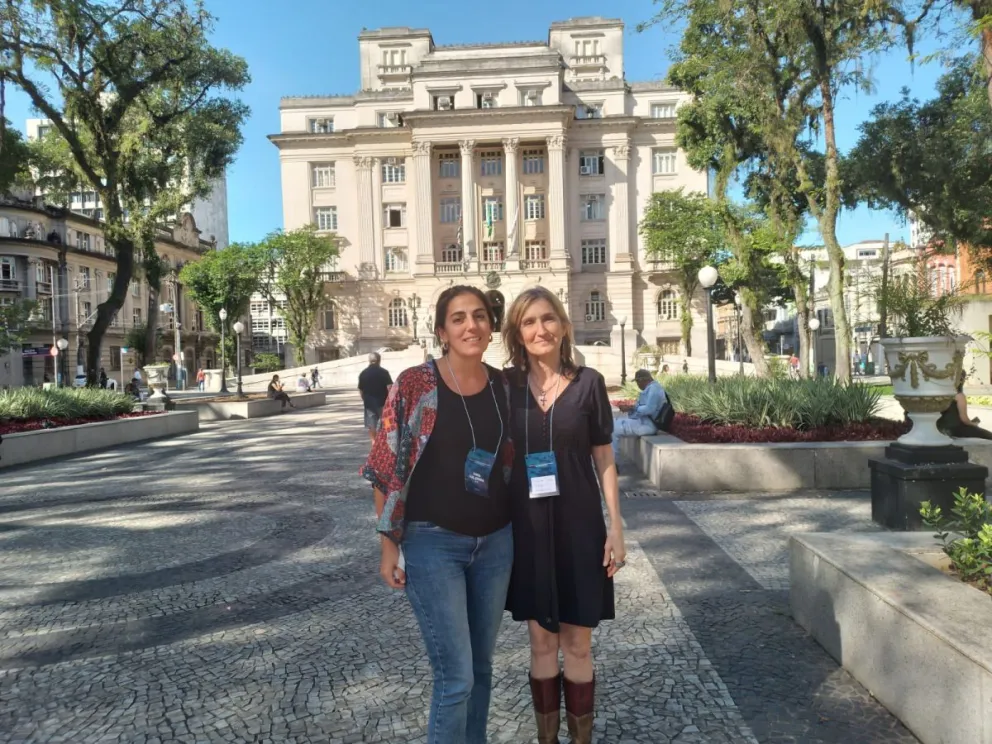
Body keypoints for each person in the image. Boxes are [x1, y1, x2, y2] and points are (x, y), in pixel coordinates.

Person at [362, 285, 514, 743]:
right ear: (442, 331)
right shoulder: (416, 384)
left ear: (491, 326)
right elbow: (384, 466)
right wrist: (388, 546)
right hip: (433, 544)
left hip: (495, 543)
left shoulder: (504, 386)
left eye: (480, 316)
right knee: (456, 677)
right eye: (458, 318)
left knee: (482, 668)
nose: (471, 325)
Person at [502, 286, 626, 744]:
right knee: (540, 643)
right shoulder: (505, 386)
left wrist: (616, 526)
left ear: (563, 325)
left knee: (577, 643)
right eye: (529, 322)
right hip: (528, 531)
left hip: (579, 527)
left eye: (548, 318)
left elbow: (604, 457)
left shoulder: (588, 383)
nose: (541, 329)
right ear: (517, 332)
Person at [611, 369, 667, 461]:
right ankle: (612, 460)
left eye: (637, 382)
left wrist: (632, 408)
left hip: (648, 425)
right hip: (643, 422)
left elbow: (649, 409)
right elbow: (642, 408)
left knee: (612, 428)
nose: (637, 384)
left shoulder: (654, 389)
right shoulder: (651, 388)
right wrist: (630, 408)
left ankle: (613, 462)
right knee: (611, 423)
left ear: (642, 380)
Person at [938, 371, 992, 440]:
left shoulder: (938, 394)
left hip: (942, 429)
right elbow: (964, 419)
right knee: (989, 435)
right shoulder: (959, 396)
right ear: (961, 380)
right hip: (956, 429)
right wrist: (973, 424)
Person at [358, 352, 393, 443]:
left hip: (369, 404)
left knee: (371, 425)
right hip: (383, 403)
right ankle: (385, 443)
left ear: (369, 361)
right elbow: (390, 387)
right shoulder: (384, 372)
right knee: (386, 423)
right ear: (379, 360)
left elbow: (361, 390)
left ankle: (374, 444)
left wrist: (365, 400)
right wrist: (390, 401)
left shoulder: (363, 373)